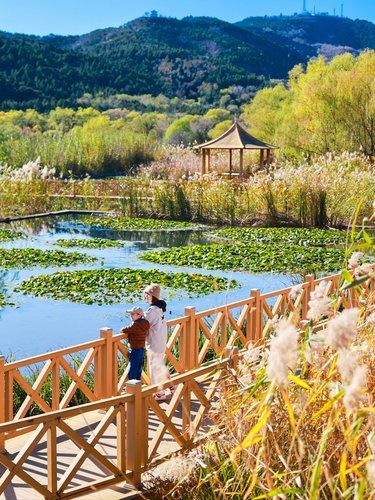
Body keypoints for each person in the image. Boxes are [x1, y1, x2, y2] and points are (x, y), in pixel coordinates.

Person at [143, 283, 174, 401]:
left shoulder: (151, 311)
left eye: (147, 295)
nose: (145, 297)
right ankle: (172, 386)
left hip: (154, 342)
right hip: (161, 341)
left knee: (154, 366)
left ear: (152, 296)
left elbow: (143, 324)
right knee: (160, 365)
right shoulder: (160, 308)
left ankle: (159, 393)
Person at [121, 306, 149, 382]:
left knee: (133, 367)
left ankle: (132, 385)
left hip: (135, 349)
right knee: (139, 367)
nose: (131, 316)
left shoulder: (136, 325)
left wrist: (122, 329)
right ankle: (138, 384)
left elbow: (125, 329)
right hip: (141, 348)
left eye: (133, 314)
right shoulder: (145, 323)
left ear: (139, 315)